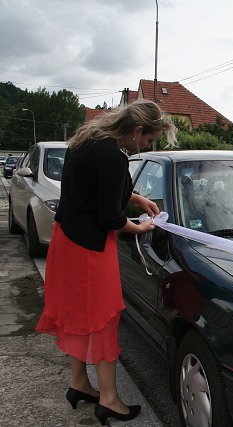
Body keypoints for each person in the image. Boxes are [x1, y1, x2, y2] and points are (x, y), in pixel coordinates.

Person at [35, 100, 176, 425]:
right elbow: (110, 217)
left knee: (78, 315)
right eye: (149, 140)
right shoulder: (113, 156)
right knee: (102, 319)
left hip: (66, 239)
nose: (146, 145)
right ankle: (110, 400)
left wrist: (135, 197)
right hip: (90, 250)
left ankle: (80, 383)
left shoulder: (85, 140)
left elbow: (91, 189)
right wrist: (139, 227)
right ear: (138, 130)